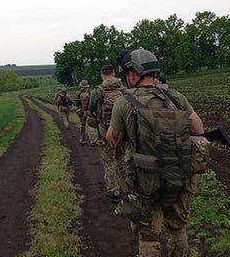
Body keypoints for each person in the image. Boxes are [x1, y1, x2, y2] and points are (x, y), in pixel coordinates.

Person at [106, 49, 204, 257]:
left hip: (144, 179)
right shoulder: (175, 96)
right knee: (178, 228)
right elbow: (198, 129)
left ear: (133, 74)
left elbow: (112, 140)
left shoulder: (124, 103)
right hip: (178, 174)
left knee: (149, 235)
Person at [88, 64, 124, 202]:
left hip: (105, 131)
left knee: (109, 160)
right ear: (114, 73)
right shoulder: (123, 90)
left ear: (102, 75)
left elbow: (91, 111)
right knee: (121, 158)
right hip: (121, 131)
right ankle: (125, 188)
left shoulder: (98, 91)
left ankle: (114, 192)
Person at [74, 80, 91, 144]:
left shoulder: (78, 93)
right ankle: (85, 139)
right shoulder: (89, 92)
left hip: (83, 111)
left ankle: (83, 139)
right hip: (85, 111)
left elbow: (75, 103)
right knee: (86, 125)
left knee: (83, 125)